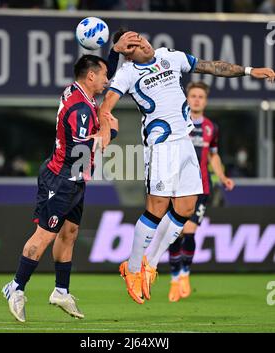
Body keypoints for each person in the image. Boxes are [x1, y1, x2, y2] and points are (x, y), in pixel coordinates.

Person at [97, 29, 275, 305]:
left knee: (186, 209)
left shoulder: (171, 57)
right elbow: (105, 105)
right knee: (156, 208)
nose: (141, 42)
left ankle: (151, 264)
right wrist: (106, 127)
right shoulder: (128, 74)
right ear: (126, 53)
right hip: (162, 147)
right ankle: (131, 269)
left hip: (185, 145)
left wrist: (250, 70)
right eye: (131, 44)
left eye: (139, 37)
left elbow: (213, 66)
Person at [1, 54, 118, 323]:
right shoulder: (81, 109)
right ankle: (15, 287)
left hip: (75, 178)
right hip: (62, 178)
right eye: (103, 75)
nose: (107, 79)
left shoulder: (77, 91)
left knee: (70, 232)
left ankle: (61, 291)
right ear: (90, 76)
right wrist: (112, 132)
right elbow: (83, 150)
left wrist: (114, 51)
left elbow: (101, 71)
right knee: (44, 235)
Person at [165, 81, 235, 302]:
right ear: (187, 98)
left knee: (190, 231)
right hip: (175, 186)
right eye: (193, 96)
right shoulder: (177, 123)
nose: (196, 99)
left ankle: (184, 274)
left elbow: (213, 155)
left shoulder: (210, 128)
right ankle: (175, 278)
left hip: (202, 186)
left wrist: (222, 177)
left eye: (200, 97)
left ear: (205, 100)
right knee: (175, 234)